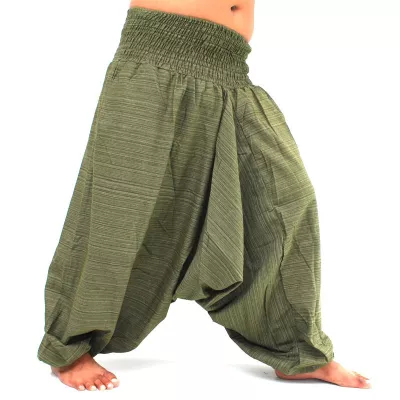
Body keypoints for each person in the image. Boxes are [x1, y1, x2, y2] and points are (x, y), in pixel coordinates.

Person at [38, 0, 371, 391]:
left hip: (231, 68)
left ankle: (293, 349)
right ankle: (70, 347)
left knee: (287, 199)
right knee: (121, 212)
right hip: (159, 53)